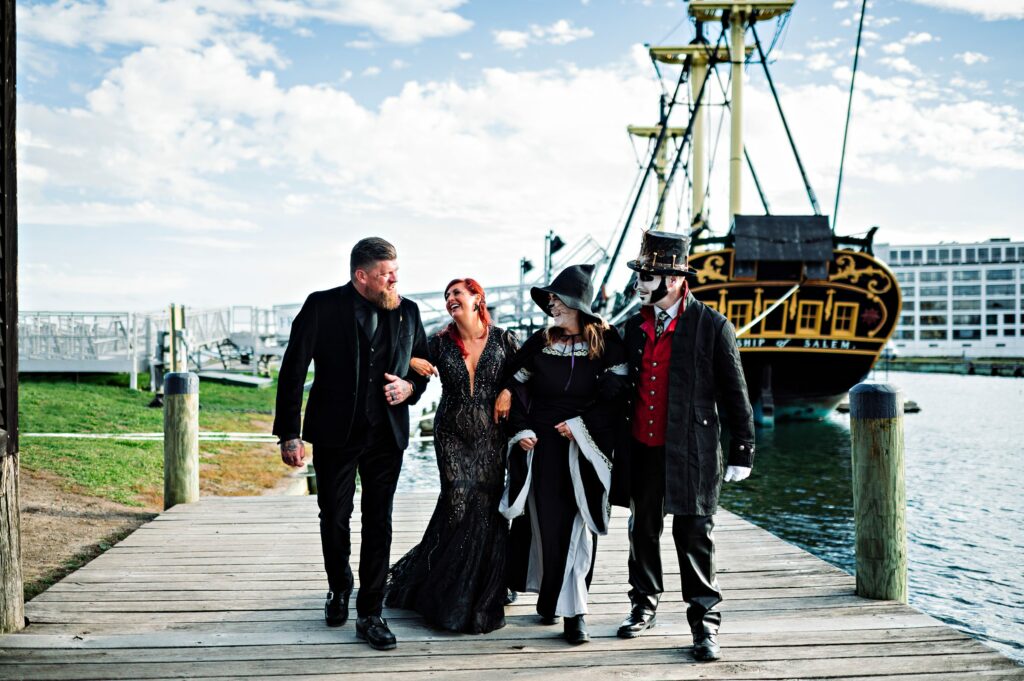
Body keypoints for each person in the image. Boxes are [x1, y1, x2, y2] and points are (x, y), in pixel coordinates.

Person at [273, 237, 429, 651]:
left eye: (396, 271)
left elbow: (423, 366)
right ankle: (338, 588)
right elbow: (292, 371)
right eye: (385, 273)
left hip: (387, 436)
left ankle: (371, 611)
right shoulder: (321, 306)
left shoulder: (409, 312)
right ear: (361, 275)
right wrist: (290, 432)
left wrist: (410, 388)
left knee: (380, 522)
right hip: (333, 434)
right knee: (335, 516)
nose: (394, 278)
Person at [613, 230, 755, 662]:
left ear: (673, 279)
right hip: (642, 447)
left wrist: (742, 450)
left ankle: (705, 623)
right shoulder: (631, 328)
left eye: (648, 275)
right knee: (643, 530)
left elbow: (736, 394)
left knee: (694, 535)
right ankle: (644, 605)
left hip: (692, 449)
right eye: (640, 274)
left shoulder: (713, 326)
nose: (640, 283)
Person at [501, 264, 627, 645]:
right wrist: (520, 428)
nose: (550, 303)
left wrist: (581, 425)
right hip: (541, 446)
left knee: (580, 527)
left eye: (557, 298)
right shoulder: (540, 342)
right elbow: (515, 384)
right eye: (550, 298)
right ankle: (551, 600)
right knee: (548, 527)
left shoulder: (608, 342)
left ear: (578, 305)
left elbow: (618, 395)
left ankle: (577, 614)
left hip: (585, 448)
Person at [385, 278, 519, 634]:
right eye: (447, 296)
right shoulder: (439, 343)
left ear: (477, 298)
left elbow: (525, 374)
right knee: (457, 501)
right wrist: (412, 360)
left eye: (457, 293)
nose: (450, 299)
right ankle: (443, 589)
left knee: (487, 508)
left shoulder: (505, 339)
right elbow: (411, 371)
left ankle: (483, 587)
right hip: (451, 433)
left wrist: (507, 389)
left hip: (492, 435)